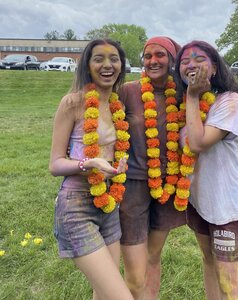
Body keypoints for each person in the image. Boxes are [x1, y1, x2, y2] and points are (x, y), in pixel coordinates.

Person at [49, 39, 133, 300]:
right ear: (87, 65)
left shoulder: (118, 105)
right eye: (99, 59)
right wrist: (90, 163)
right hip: (76, 207)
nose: (107, 65)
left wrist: (117, 167)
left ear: (121, 65)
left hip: (109, 206)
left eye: (114, 58)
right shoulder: (73, 103)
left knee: (103, 294)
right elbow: (55, 165)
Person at [175, 40, 238, 300]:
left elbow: (197, 143)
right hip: (199, 201)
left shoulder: (230, 102)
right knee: (209, 262)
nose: (191, 65)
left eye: (199, 59)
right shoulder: (187, 106)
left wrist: (192, 95)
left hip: (225, 205)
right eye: (185, 61)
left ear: (215, 67)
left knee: (229, 281)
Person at [119, 36, 187, 299]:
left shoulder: (182, 93)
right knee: (135, 268)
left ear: (171, 60)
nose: (153, 61)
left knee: (153, 255)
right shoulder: (128, 90)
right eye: (148, 56)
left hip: (169, 184)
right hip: (133, 185)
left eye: (160, 55)